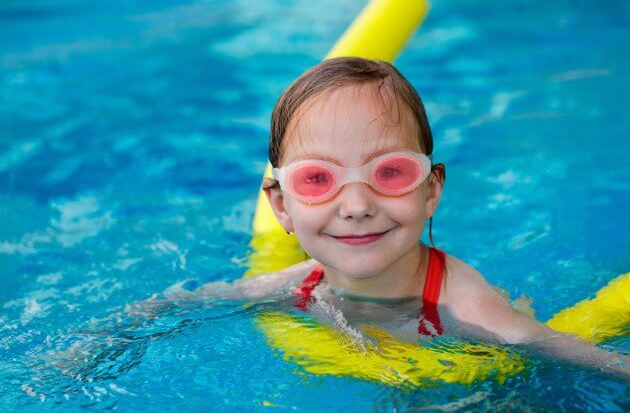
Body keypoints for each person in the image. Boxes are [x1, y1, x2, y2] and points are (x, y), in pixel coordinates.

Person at [127, 57, 628, 378]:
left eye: (389, 172)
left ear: (431, 191)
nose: (357, 204)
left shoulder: (462, 300)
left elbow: (552, 347)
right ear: (282, 206)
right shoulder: (298, 284)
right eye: (318, 179)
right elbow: (182, 307)